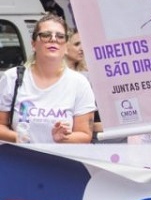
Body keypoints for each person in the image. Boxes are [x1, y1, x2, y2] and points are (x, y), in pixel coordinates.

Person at [0, 14, 96, 144]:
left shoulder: (79, 83)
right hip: (19, 161)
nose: (53, 39)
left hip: (60, 162)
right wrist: (18, 137)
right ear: (33, 44)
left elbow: (85, 134)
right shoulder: (12, 78)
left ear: (66, 46)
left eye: (60, 36)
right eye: (46, 35)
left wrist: (63, 137)